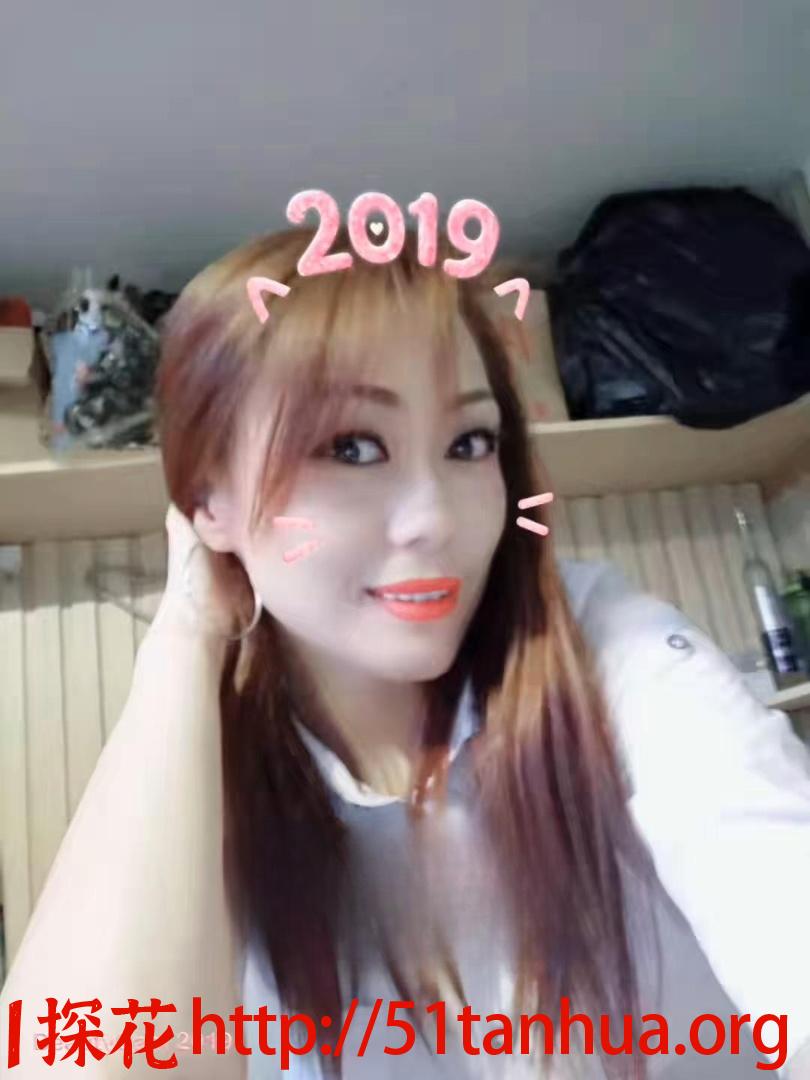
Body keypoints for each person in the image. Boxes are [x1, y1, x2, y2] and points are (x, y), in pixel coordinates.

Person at [2, 226, 810, 1079]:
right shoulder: (198, 772)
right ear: (208, 501)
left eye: (469, 443)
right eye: (350, 447)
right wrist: (186, 630)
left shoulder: (601, 647)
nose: (435, 519)